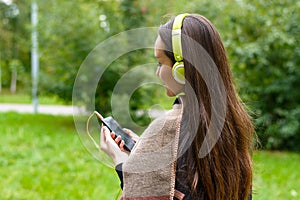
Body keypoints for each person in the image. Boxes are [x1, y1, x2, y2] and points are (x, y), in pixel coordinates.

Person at [100, 13, 254, 200]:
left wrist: (121, 161)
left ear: (181, 69)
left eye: (160, 62)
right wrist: (145, 150)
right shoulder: (233, 121)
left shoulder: (169, 128)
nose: (157, 72)